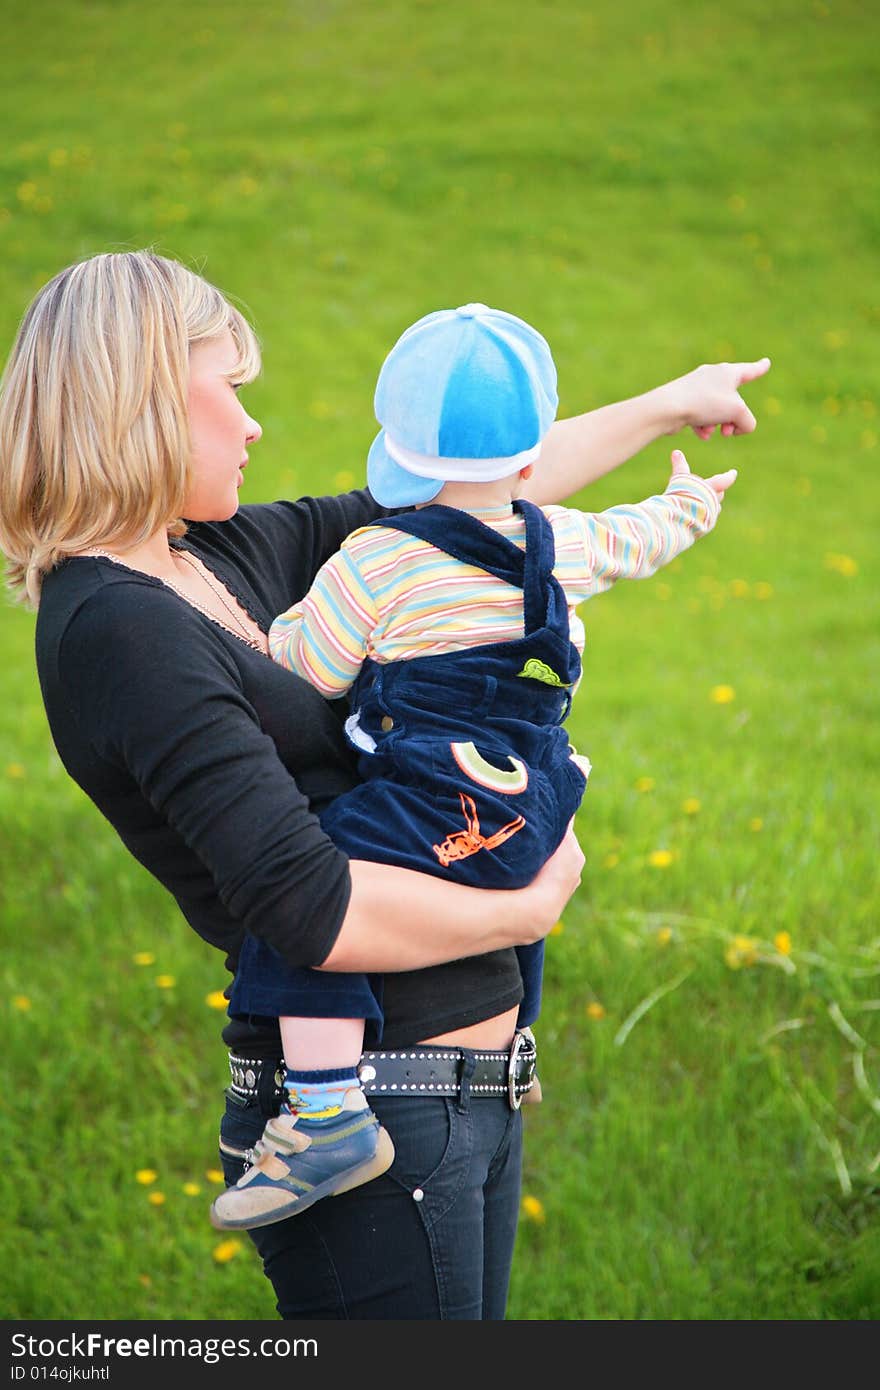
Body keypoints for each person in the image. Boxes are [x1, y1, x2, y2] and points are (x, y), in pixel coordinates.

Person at [0, 250, 769, 1320]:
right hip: (367, 1113)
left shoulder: (219, 554)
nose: (254, 425)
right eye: (233, 387)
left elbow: (472, 495)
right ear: (143, 398)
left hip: (456, 1093)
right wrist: (533, 901)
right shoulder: (120, 629)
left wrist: (668, 404)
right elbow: (311, 906)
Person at [213, 302, 740, 1234]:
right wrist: (693, 501)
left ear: (402, 458)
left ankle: (328, 1112)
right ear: (532, 460)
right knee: (512, 862)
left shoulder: (375, 561)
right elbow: (641, 536)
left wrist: (274, 632)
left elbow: (306, 671)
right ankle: (517, 1037)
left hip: (432, 803)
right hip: (534, 803)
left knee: (306, 894)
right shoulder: (557, 539)